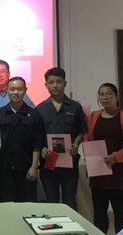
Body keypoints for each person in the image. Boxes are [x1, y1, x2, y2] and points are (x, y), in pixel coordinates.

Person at [83, 82, 123, 234]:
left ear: (117, 97)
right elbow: (87, 138)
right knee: (99, 212)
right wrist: (90, 157)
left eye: (109, 94)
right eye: (102, 94)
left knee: (120, 212)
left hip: (118, 170)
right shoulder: (93, 116)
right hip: (98, 171)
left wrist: (116, 157)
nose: (105, 97)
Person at [36, 67, 86, 211]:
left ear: (65, 83)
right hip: (49, 161)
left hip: (69, 160)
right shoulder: (40, 109)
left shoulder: (75, 107)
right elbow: (37, 136)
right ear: (46, 85)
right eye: (51, 82)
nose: (55, 85)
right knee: (52, 201)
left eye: (59, 82)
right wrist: (42, 149)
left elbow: (81, 131)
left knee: (70, 201)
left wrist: (76, 144)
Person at [0, 77, 45, 202]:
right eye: (12, 89)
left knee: (27, 207)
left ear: (25, 90)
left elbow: (37, 144)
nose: (16, 92)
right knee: (6, 207)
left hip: (27, 170)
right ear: (7, 90)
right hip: (5, 170)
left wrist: (34, 167)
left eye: (19, 89)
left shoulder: (34, 115)